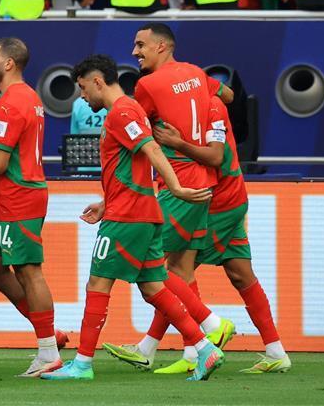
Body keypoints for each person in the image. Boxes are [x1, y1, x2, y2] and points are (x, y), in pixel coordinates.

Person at [43, 55, 221, 382]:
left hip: (127, 216)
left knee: (98, 284)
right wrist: (105, 202)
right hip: (141, 212)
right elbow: (130, 166)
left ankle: (82, 364)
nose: (82, 96)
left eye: (83, 88)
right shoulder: (130, 109)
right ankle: (205, 347)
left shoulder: (121, 112)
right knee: (153, 287)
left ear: (98, 81)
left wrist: (176, 187)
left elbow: (152, 150)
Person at [101, 24, 235, 375]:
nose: (135, 52)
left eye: (141, 45)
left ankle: (212, 324)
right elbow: (229, 95)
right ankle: (181, 351)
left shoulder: (148, 85)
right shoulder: (196, 73)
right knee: (179, 272)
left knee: (152, 268)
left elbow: (134, 128)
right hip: (204, 183)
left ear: (162, 46)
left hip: (180, 183)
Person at [142, 95, 291, 374]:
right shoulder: (189, 104)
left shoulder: (211, 106)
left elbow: (215, 156)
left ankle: (184, 347)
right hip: (223, 198)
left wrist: (178, 144)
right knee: (241, 274)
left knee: (175, 270)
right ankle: (276, 351)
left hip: (219, 202)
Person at [0, 37, 63, 377]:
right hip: (14, 197)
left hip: (19, 197)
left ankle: (48, 352)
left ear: (8, 63)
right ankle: (49, 334)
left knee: (29, 272)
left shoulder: (9, 104)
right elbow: (17, 140)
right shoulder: (27, 98)